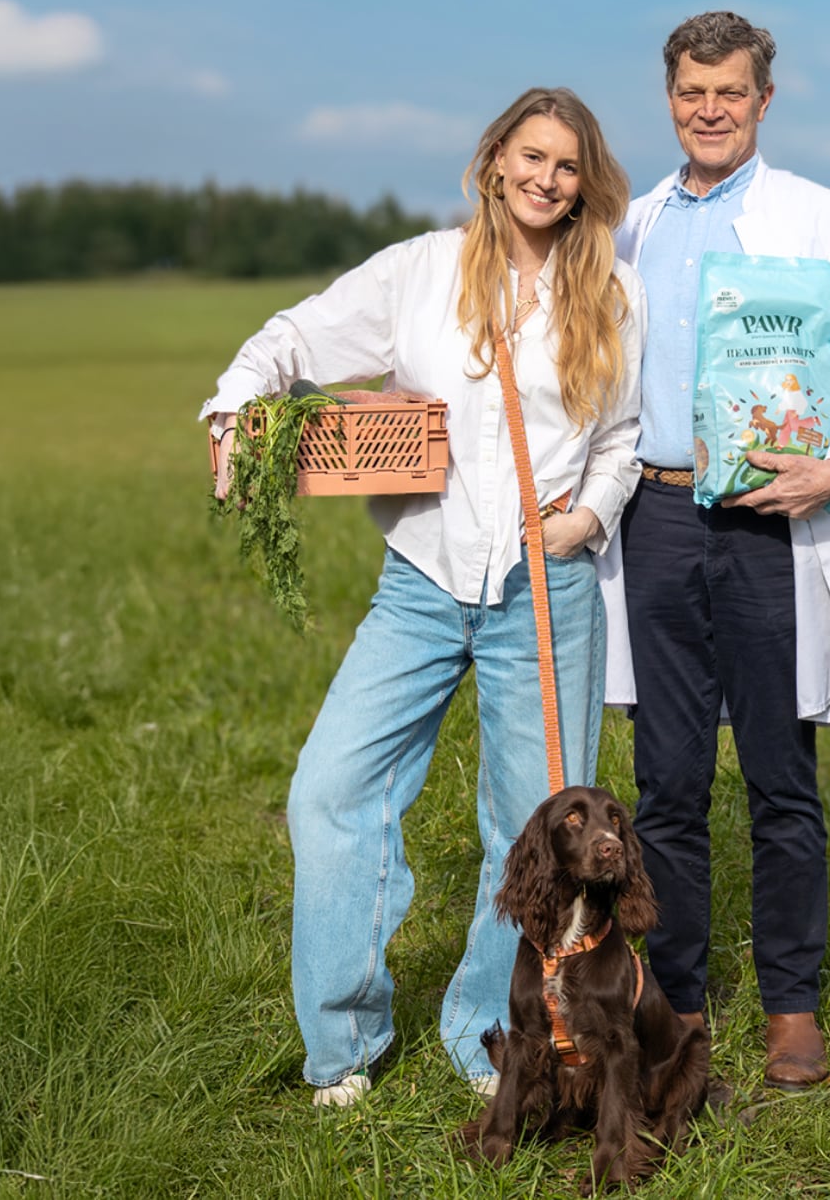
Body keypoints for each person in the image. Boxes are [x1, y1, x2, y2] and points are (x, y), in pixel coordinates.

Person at [201, 87, 643, 1106]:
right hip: (421, 585)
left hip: (549, 591)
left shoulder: (613, 295)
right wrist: (233, 408)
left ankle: (489, 1028)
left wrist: (587, 520)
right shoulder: (417, 273)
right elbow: (291, 342)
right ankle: (345, 1045)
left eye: (566, 165)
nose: (545, 177)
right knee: (331, 790)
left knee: (532, 829)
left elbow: (618, 439)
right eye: (529, 156)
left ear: (585, 183)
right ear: (493, 160)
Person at [603, 11, 830, 1091]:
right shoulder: (630, 226)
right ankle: (679, 1002)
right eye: (692, 93)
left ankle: (792, 1006)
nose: (709, 110)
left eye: (729, 93)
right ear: (669, 98)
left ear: (763, 100)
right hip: (652, 521)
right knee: (666, 783)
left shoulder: (823, 220)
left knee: (782, 779)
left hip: (769, 528)